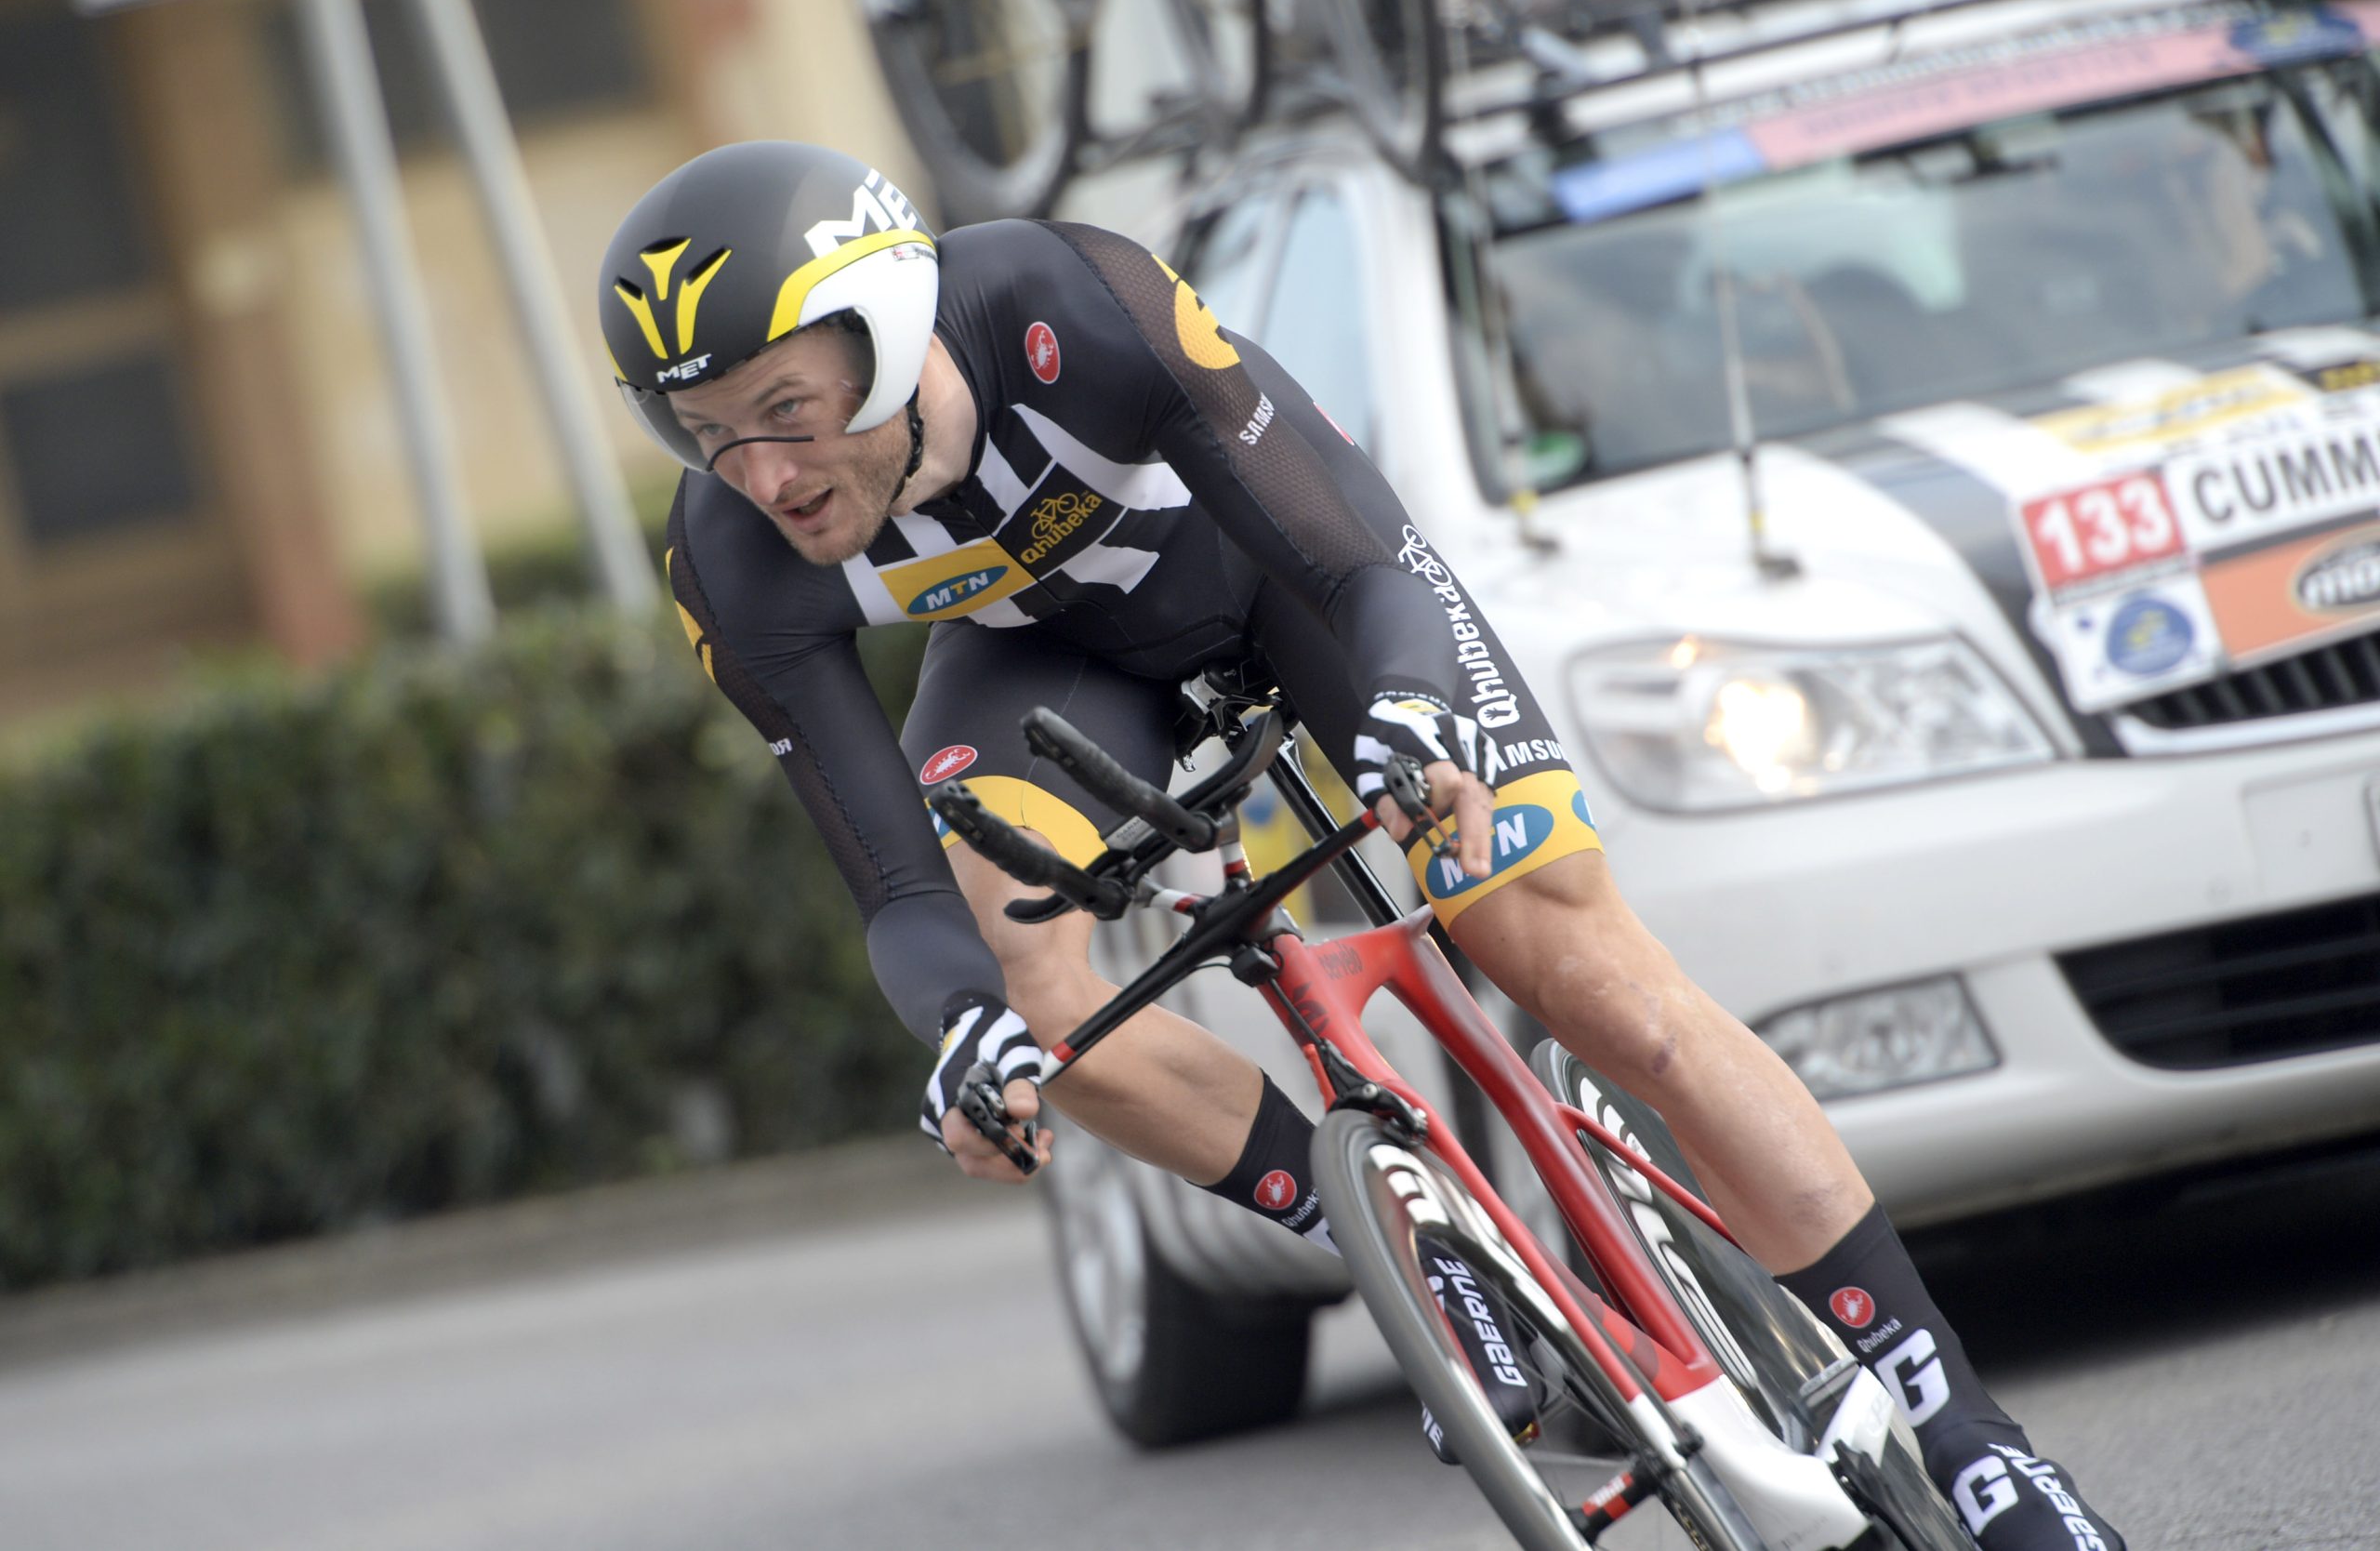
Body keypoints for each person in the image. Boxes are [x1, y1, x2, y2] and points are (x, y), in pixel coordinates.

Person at [601, 140, 2124, 1551]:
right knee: (1026, 990)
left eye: (788, 417)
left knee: (1572, 965)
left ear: (886, 325)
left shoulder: (1071, 303)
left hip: (1297, 589)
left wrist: (1409, 710)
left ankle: (1970, 1436)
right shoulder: (734, 559)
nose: (766, 479)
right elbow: (893, 885)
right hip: (1051, 673)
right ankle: (1397, 1239)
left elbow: (1357, 554)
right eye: (710, 437)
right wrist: (959, 1034)